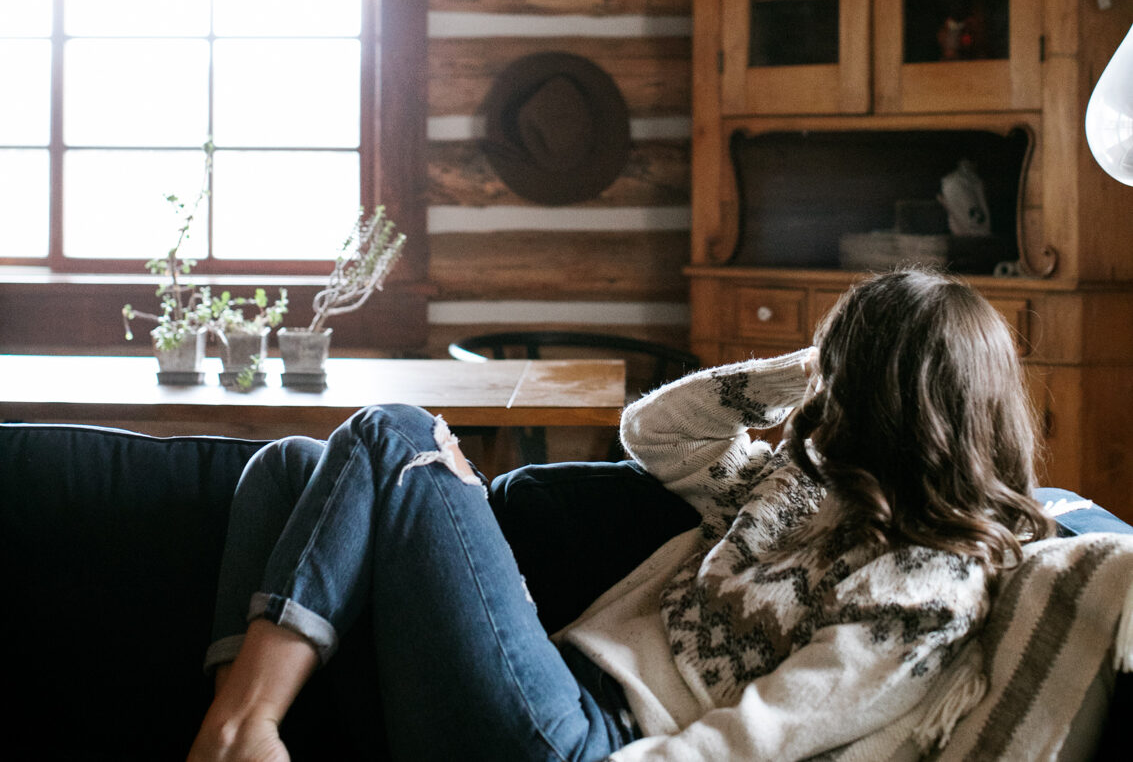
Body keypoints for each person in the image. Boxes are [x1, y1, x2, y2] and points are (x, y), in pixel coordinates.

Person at [187, 268, 1054, 762]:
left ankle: (240, 727)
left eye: (844, 369)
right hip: (550, 681)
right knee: (287, 466)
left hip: (585, 744)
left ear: (887, 395)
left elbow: (763, 739)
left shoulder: (927, 582)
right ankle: (245, 721)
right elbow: (654, 434)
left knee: (396, 432)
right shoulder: (799, 488)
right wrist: (801, 368)